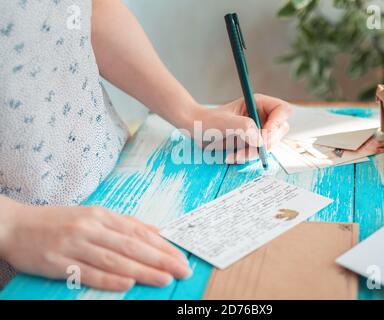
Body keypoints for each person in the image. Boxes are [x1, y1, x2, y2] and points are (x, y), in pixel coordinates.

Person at [0, 0, 292, 291]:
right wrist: (12, 224)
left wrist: (191, 113)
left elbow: (89, 8)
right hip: (20, 255)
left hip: (119, 177)